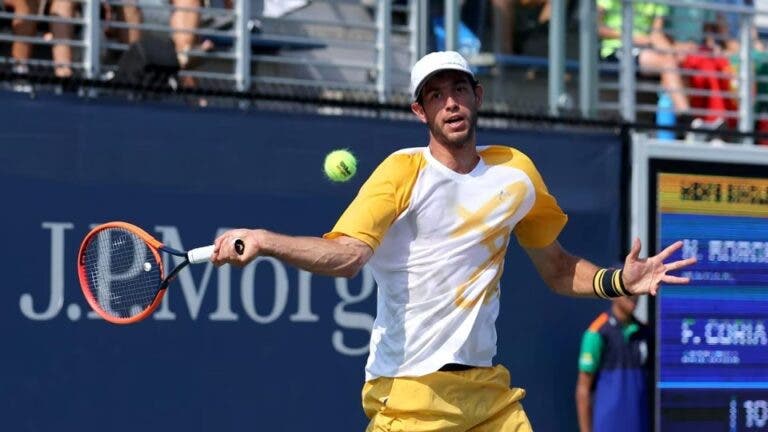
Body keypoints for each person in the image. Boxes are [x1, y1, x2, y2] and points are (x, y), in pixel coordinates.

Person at [210, 50, 697, 430]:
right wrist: (265, 240)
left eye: (459, 89)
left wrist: (618, 280)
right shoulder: (401, 173)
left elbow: (557, 267)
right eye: (436, 94)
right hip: (409, 392)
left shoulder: (516, 173)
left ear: (477, 96)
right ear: (419, 111)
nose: (451, 102)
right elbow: (347, 256)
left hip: (486, 395)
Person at [597, 0, 693, 118]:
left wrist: (672, 53)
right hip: (616, 50)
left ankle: (684, 125)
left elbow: (657, 35)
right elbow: (597, 27)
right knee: (667, 64)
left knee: (679, 62)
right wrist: (630, 37)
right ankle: (688, 120)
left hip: (645, 50)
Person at [575, 296, 650, 432]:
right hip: (608, 426)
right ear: (613, 293)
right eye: (627, 289)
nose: (633, 296)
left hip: (639, 425)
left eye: (635, 291)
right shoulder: (596, 333)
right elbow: (583, 389)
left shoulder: (645, 332)